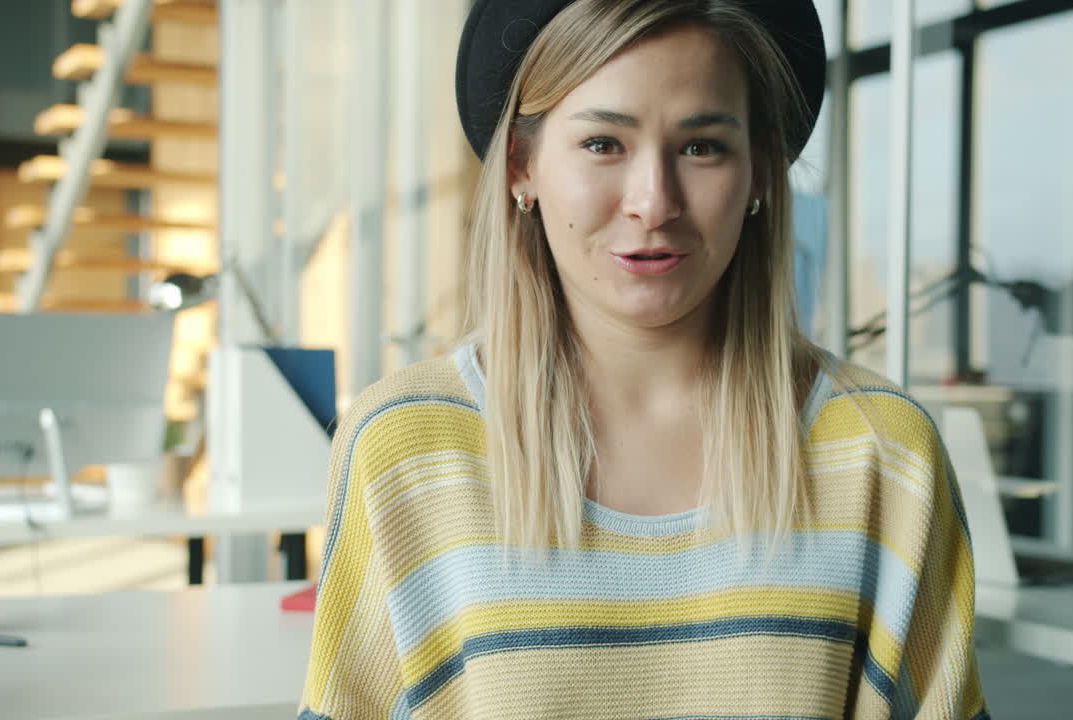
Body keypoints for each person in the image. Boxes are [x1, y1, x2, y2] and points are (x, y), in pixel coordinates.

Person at [300, 1, 990, 718]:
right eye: (603, 143)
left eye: (702, 147)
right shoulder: (404, 448)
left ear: (760, 171)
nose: (653, 202)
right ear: (521, 166)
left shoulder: (885, 452)